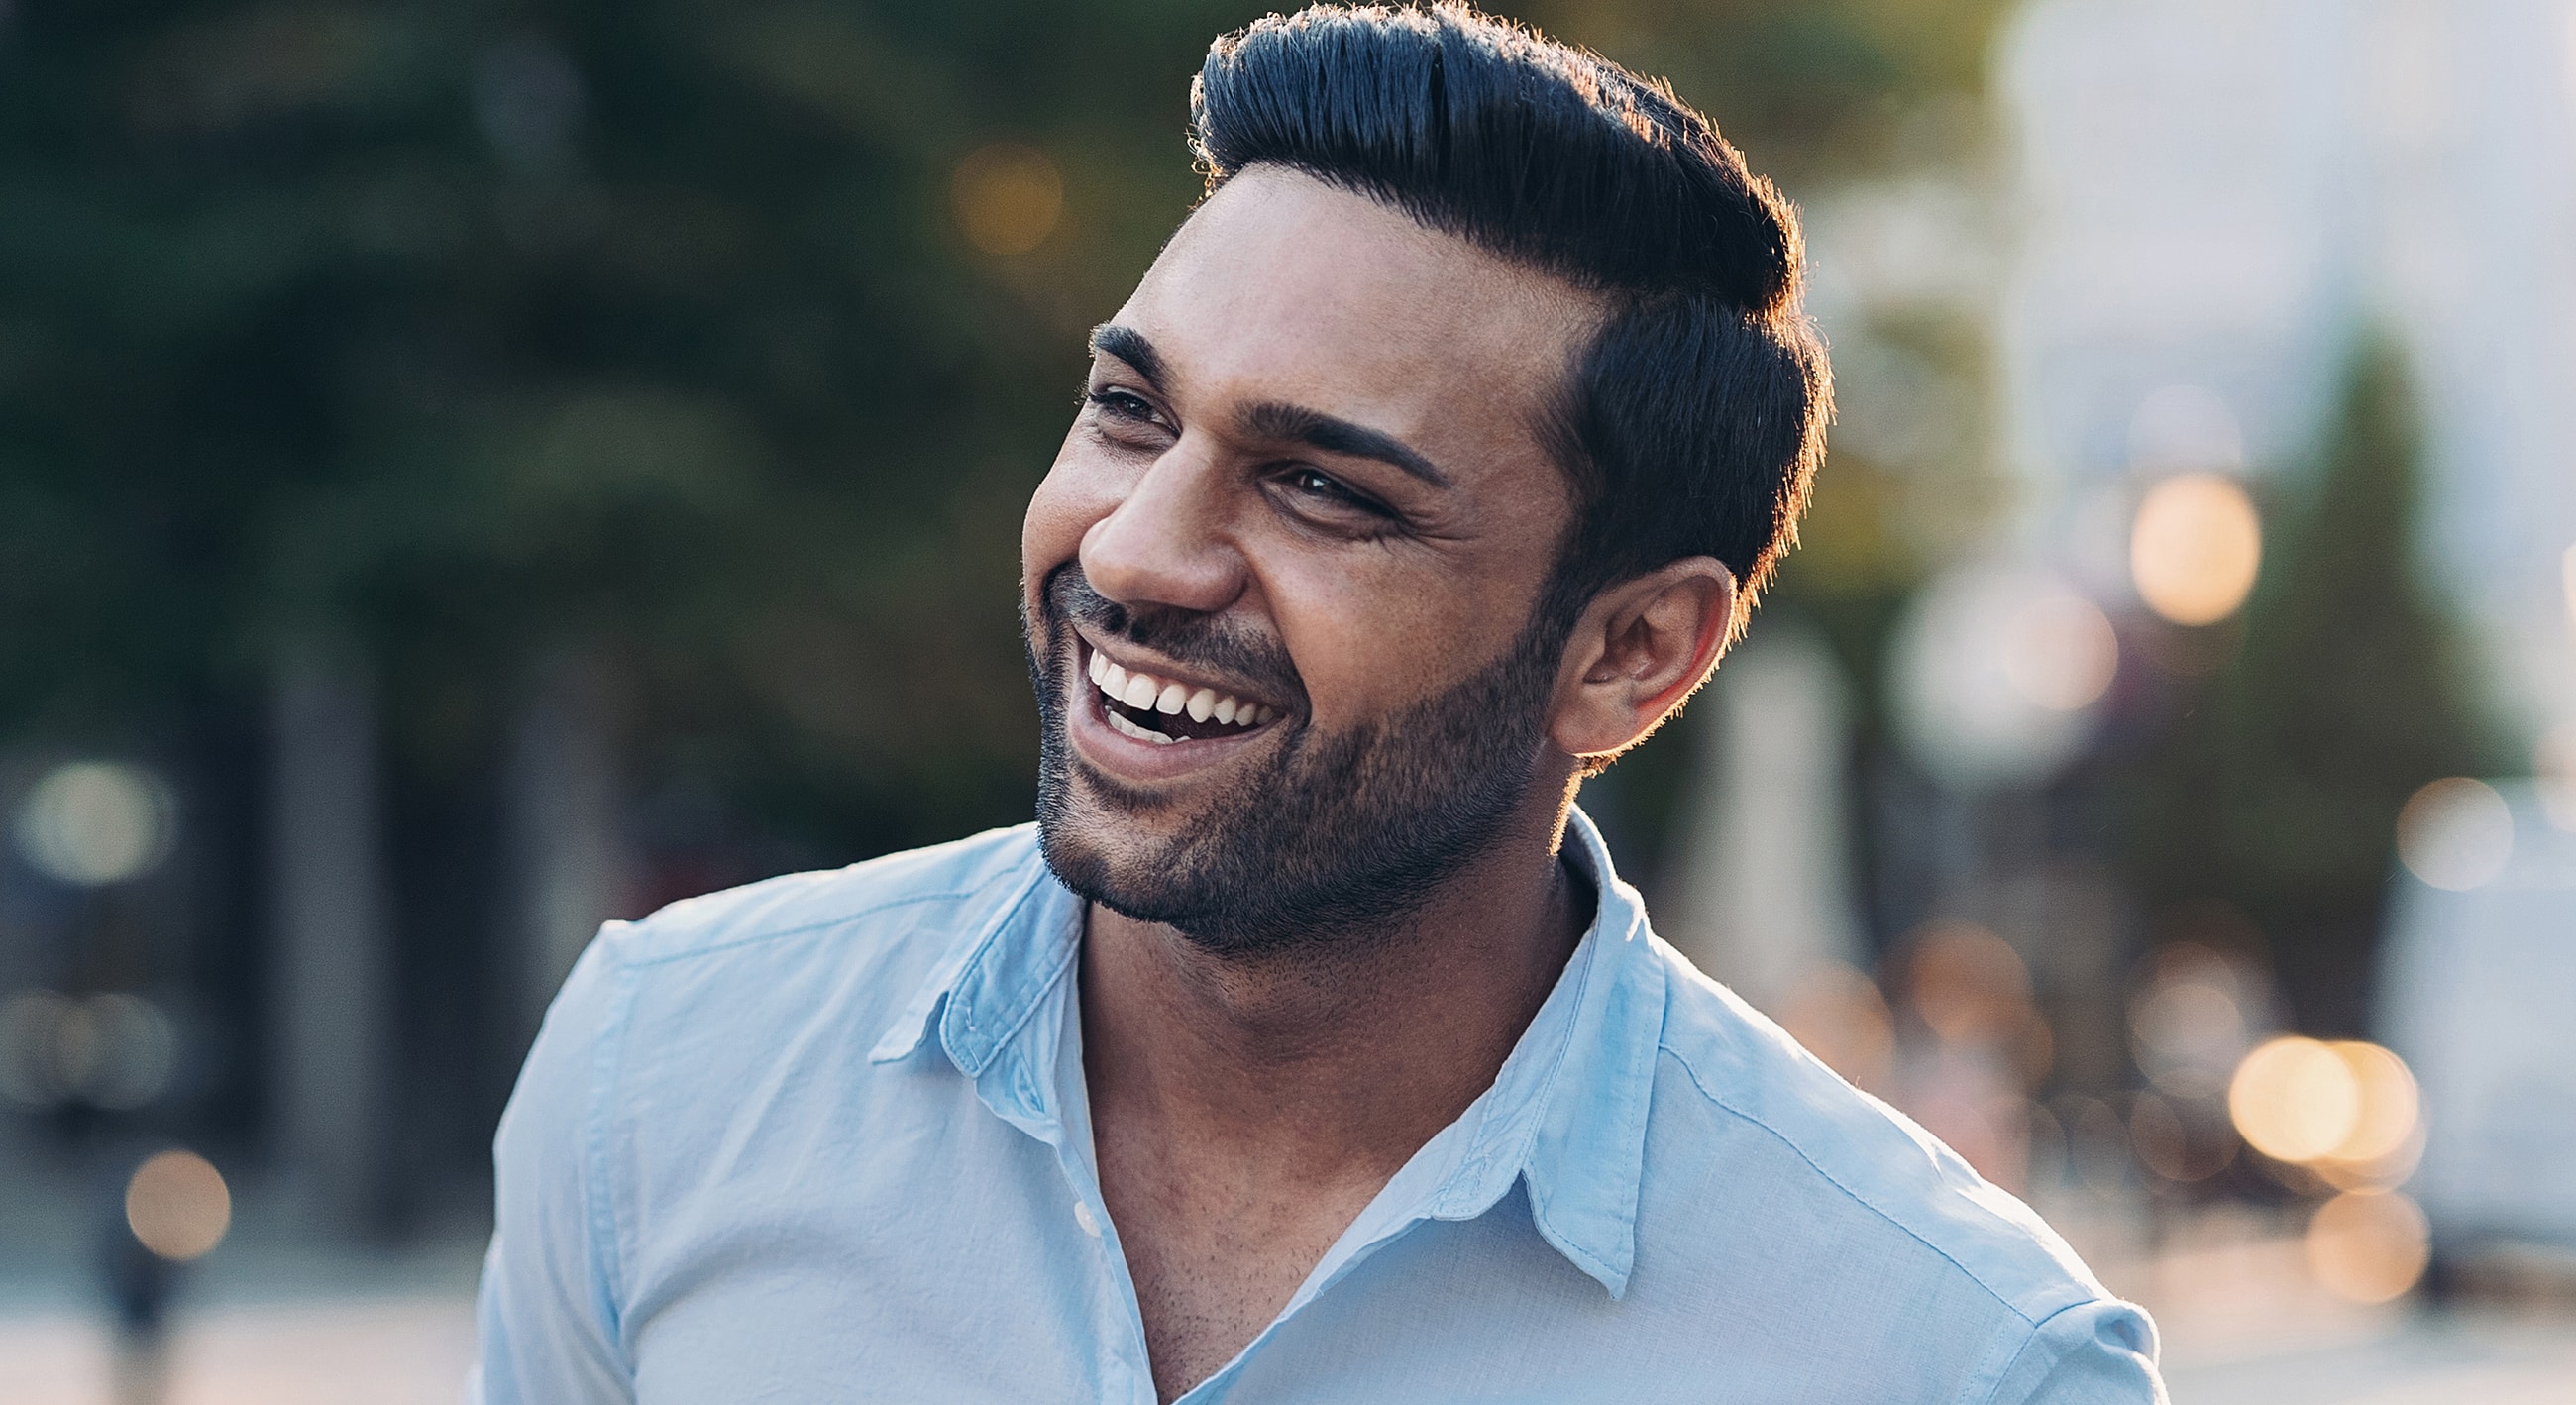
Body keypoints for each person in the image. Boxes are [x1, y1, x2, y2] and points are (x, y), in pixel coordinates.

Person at [471, 6, 2166, 1401]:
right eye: (1131, 411)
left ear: (1630, 652)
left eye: (1323, 491)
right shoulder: (665, 1079)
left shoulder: (1955, 1363)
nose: (1133, 553)